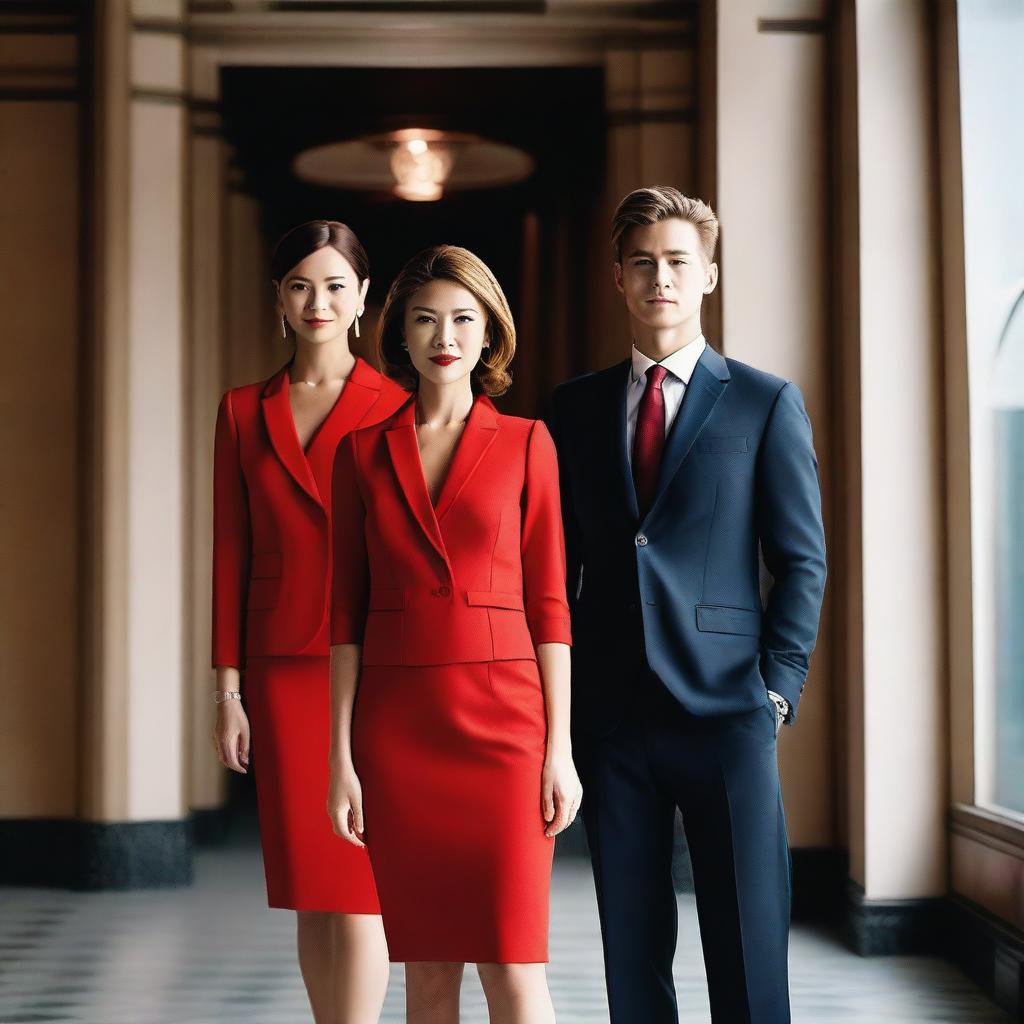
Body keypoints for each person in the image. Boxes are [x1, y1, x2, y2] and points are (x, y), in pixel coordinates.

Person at [548, 186, 827, 1023]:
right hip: (613, 717)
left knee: (747, 953)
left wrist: (776, 687)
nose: (659, 278)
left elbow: (801, 560)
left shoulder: (762, 400)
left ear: (707, 273)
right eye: (642, 263)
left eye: (676, 262)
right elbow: (554, 570)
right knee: (631, 959)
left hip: (728, 710)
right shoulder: (573, 409)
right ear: (619, 279)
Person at [327, 245, 582, 1024]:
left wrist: (559, 747)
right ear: (398, 334)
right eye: (426, 319)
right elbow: (344, 615)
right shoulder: (360, 452)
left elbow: (550, 604)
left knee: (513, 968)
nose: (446, 335)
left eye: (464, 318)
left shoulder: (528, 442)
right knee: (428, 974)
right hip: (399, 732)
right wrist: (340, 756)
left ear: (489, 333)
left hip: (507, 728)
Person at [212, 220, 407, 1024]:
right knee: (308, 888)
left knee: (360, 885)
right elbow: (229, 552)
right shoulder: (241, 411)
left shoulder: (396, 405)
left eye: (334, 286)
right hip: (279, 669)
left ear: (362, 300)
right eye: (300, 285)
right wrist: (227, 689)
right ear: (280, 302)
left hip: (371, 667)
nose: (317, 301)